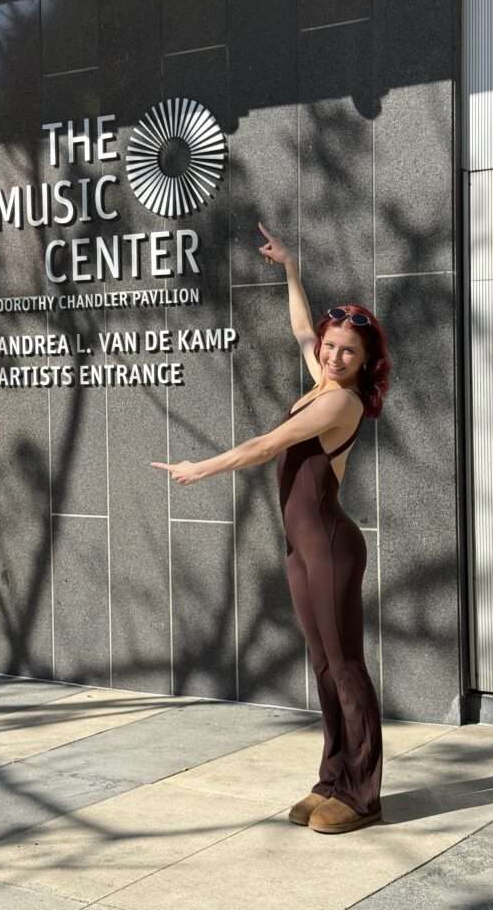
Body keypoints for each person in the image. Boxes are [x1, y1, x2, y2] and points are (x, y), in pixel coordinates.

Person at [151, 221, 392, 835]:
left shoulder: (341, 401)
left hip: (332, 547)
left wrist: (198, 467)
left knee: (345, 667)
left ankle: (364, 794)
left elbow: (266, 445)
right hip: (301, 551)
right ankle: (332, 779)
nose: (332, 355)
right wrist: (289, 267)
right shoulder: (321, 381)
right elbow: (301, 328)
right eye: (331, 347)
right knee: (321, 664)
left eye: (347, 352)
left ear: (365, 363)